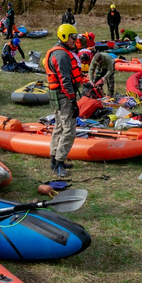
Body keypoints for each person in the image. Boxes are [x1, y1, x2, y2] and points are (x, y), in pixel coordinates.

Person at [44, 24, 86, 177]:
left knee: (59, 127)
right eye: (72, 37)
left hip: (58, 95)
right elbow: (65, 80)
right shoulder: (62, 55)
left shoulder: (58, 52)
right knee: (69, 130)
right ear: (64, 37)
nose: (75, 40)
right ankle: (59, 163)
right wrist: (73, 100)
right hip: (64, 96)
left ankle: (54, 160)